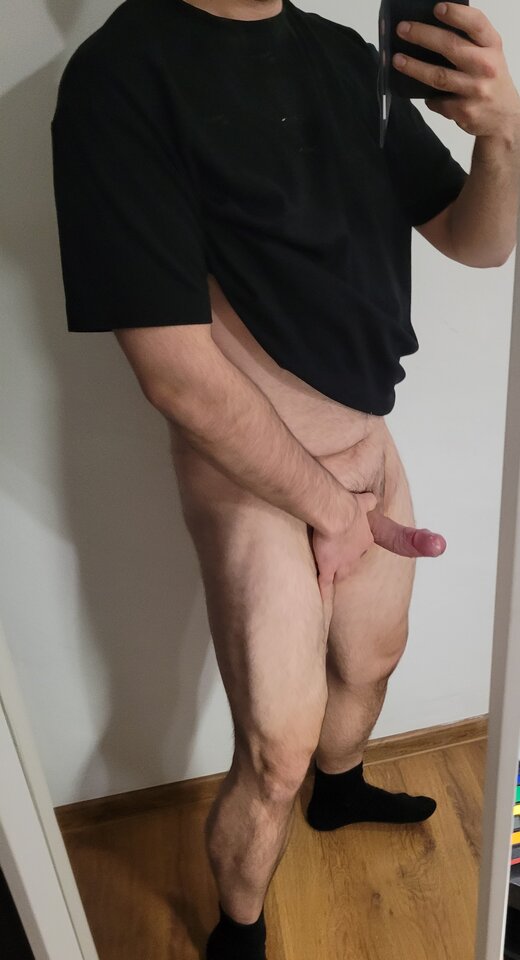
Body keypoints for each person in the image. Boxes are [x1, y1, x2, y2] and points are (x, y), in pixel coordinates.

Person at [50, 1, 520, 957]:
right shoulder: (121, 76)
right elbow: (176, 373)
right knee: (274, 751)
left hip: (369, 448)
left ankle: (339, 795)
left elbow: (476, 239)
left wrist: (503, 138)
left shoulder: (345, 57)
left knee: (371, 661)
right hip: (254, 477)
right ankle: (239, 932)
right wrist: (327, 510)